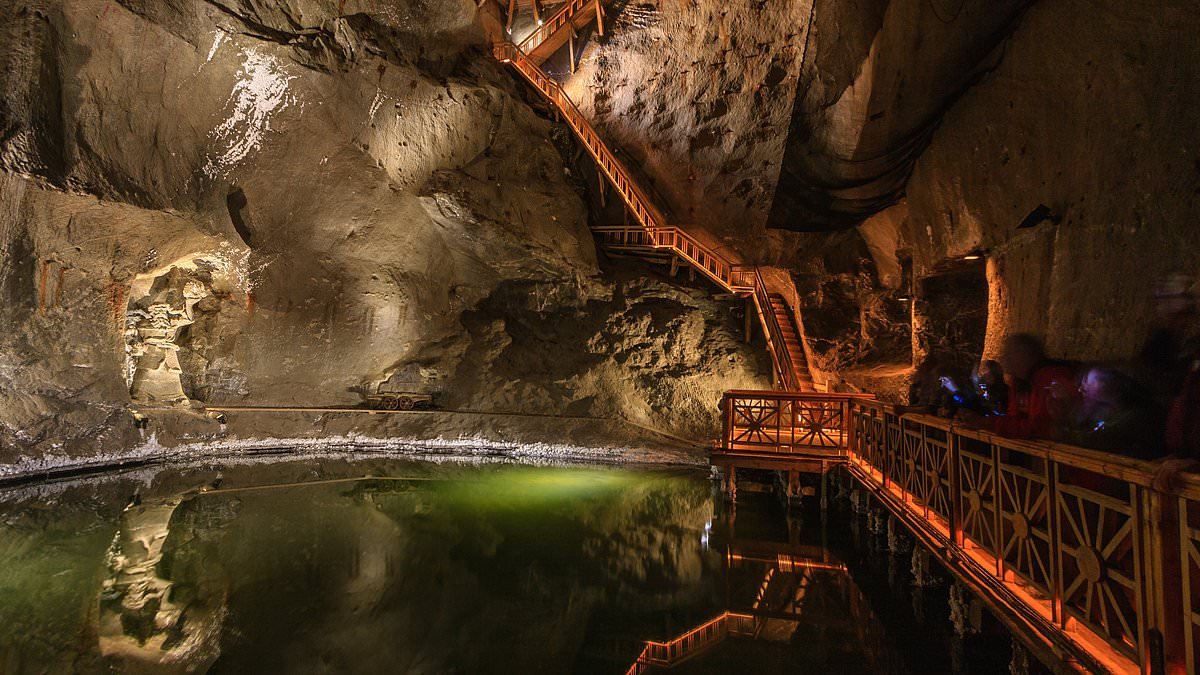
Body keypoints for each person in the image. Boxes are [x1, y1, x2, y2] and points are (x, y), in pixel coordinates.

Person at [962, 334, 1077, 440]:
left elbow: (1038, 427)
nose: (1005, 358)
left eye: (1009, 353)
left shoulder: (1049, 378)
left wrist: (988, 423)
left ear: (1025, 354)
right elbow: (1014, 418)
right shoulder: (1019, 383)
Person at [1062, 366, 1164, 459]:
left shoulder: (1133, 416)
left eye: (1088, 383)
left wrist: (1060, 430)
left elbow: (1093, 439)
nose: (1081, 389)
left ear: (1105, 385)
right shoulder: (1111, 411)